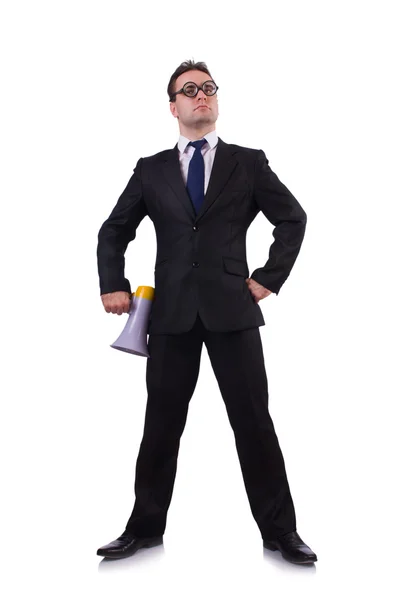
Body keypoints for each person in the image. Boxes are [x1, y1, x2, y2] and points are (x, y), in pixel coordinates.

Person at [96, 59, 317, 565]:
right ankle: (144, 527)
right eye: (190, 90)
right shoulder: (151, 169)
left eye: (209, 88)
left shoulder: (248, 162)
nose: (202, 96)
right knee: (161, 424)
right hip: (171, 315)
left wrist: (268, 277)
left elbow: (292, 218)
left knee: (254, 423)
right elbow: (114, 230)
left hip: (233, 312)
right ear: (172, 106)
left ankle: (281, 532)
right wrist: (113, 284)